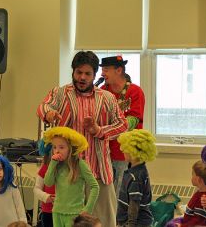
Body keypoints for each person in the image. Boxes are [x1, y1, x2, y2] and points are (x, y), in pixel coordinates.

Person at [37, 50, 128, 227]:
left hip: (99, 172)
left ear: (95, 75)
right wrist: (49, 113)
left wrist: (99, 130)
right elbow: (42, 106)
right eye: (79, 72)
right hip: (69, 175)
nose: (82, 77)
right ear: (73, 72)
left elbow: (122, 124)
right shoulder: (60, 93)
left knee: (105, 223)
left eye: (87, 73)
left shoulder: (107, 98)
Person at [99, 55, 145, 197]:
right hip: (105, 152)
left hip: (126, 153)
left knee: (122, 196)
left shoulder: (135, 91)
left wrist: (118, 126)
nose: (102, 73)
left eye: (106, 69)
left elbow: (135, 119)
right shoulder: (102, 91)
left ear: (118, 70)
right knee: (105, 197)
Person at [43, 126, 100, 227]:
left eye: (61, 147)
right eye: (54, 147)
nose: (57, 151)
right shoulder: (56, 164)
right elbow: (48, 182)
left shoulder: (80, 164)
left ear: (71, 148)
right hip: (57, 212)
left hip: (75, 214)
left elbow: (95, 186)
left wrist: (87, 209)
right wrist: (52, 163)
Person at [116, 129, 157, 227]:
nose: (123, 152)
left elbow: (134, 205)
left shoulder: (136, 178)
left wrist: (131, 224)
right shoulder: (139, 169)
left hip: (135, 223)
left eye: (125, 151)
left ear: (133, 153)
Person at [167, 160, 206, 227]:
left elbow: (197, 222)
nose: (191, 176)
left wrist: (181, 226)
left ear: (198, 179)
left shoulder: (203, 199)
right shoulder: (199, 193)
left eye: (193, 174)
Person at [33, 138, 55, 227]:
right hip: (48, 211)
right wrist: (47, 197)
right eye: (55, 148)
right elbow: (36, 189)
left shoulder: (69, 169)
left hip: (65, 211)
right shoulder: (45, 167)